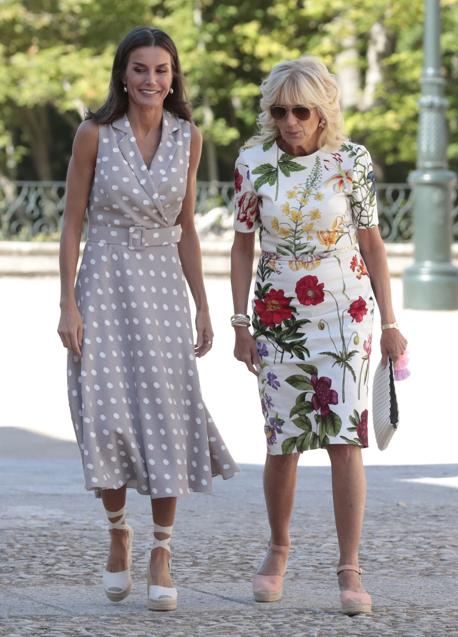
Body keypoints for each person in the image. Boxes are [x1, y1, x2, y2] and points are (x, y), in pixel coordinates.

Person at [58, 26, 238, 611]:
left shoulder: (189, 136)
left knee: (166, 414)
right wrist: (68, 303)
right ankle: (118, 532)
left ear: (174, 76)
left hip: (162, 283)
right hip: (105, 280)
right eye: (140, 69)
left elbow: (187, 226)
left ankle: (162, 548)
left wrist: (205, 304)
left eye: (162, 70)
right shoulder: (93, 134)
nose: (151, 81)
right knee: (104, 412)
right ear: (123, 74)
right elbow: (71, 223)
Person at [230, 56, 407, 616]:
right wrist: (239, 322)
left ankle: (349, 567)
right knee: (281, 438)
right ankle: (277, 550)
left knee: (345, 438)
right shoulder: (253, 162)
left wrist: (393, 324)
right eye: (279, 111)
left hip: (346, 309)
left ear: (322, 110)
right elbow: (240, 246)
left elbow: (372, 243)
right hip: (278, 311)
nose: (289, 122)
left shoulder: (351, 162)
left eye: (300, 110)